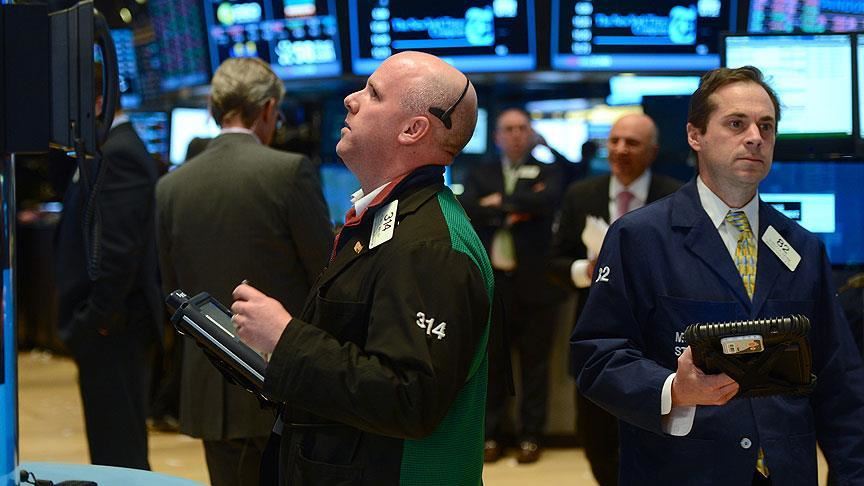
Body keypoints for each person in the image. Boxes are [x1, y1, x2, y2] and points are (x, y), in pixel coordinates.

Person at [570, 66, 864, 485]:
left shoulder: (802, 247)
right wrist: (673, 388)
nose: (755, 137)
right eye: (736, 124)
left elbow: (841, 384)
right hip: (683, 470)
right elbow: (597, 356)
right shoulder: (639, 238)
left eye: (766, 126)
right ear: (696, 135)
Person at [229, 51, 492, 485]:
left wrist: (286, 338)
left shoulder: (428, 247)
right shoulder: (389, 218)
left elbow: (409, 398)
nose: (351, 100)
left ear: (413, 129)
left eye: (373, 93)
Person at [155, 57, 333, 486]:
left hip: (208, 384)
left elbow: (171, 287)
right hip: (282, 379)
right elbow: (327, 278)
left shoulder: (170, 186)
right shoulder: (289, 172)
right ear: (268, 109)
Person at [548, 113, 681, 484]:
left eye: (632, 143)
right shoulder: (581, 195)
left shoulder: (675, 196)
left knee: (656, 437)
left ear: (652, 151)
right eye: (615, 141)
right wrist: (584, 270)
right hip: (595, 338)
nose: (621, 149)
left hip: (658, 343)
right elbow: (554, 261)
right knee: (596, 437)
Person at [54, 80, 161, 469]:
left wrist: (96, 317)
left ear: (97, 102)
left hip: (114, 329)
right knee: (110, 448)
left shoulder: (120, 154)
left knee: (119, 455)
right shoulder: (107, 149)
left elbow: (119, 249)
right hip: (108, 327)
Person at [460, 107, 565, 464]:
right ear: (497, 136)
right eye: (509, 129)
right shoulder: (481, 172)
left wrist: (499, 203)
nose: (516, 134)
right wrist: (517, 208)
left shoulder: (549, 170)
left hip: (537, 284)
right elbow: (469, 207)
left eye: (522, 128)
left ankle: (531, 436)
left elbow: (548, 201)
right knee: (492, 365)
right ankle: (491, 435)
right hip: (494, 285)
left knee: (535, 367)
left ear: (532, 133)